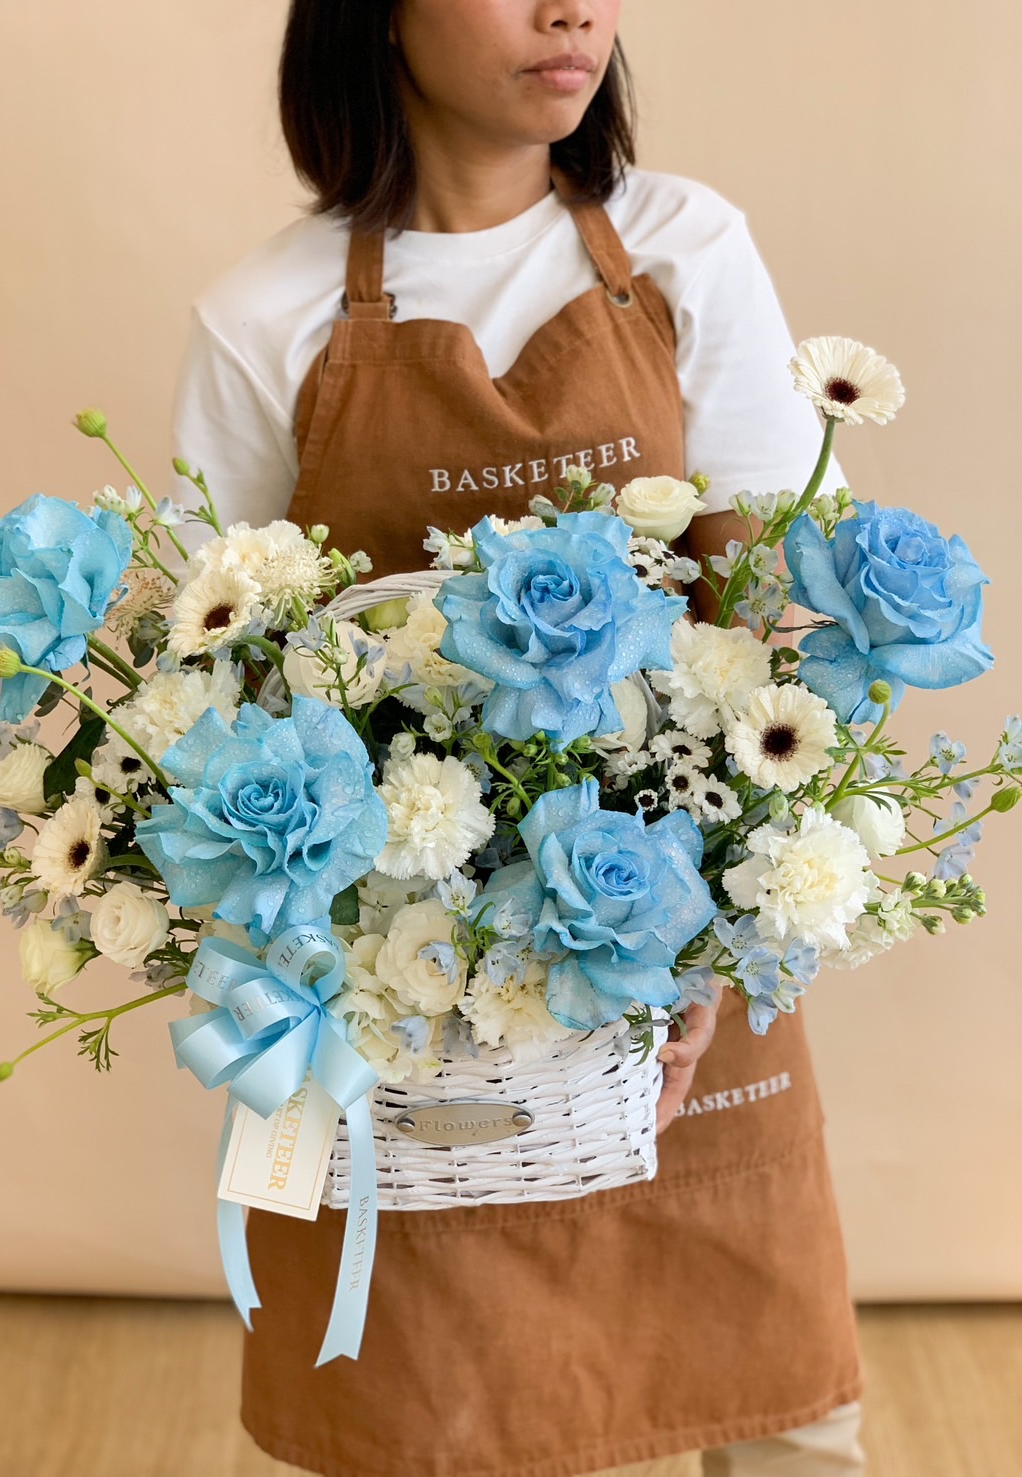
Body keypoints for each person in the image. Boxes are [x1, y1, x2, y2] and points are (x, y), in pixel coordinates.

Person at [167, 3, 866, 1473]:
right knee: (429, 1411)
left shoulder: (683, 246)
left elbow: (776, 607)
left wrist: (721, 932)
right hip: (413, 1016)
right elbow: (208, 679)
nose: (575, 11)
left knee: (780, 1414)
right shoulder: (266, 316)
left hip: (680, 951)